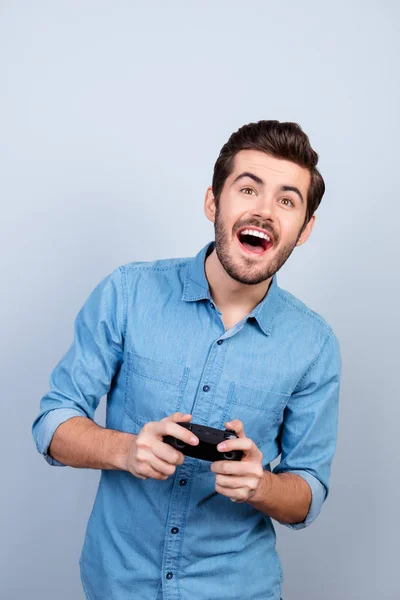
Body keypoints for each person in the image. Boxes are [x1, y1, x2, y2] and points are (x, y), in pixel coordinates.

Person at [32, 120, 342, 600]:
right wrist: (127, 450)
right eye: (248, 189)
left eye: (287, 200)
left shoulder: (315, 345)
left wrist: (260, 485)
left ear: (304, 230)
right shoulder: (127, 293)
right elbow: (52, 423)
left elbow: (309, 493)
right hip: (118, 584)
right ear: (213, 202)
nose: (264, 211)